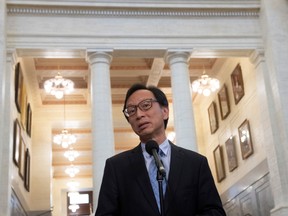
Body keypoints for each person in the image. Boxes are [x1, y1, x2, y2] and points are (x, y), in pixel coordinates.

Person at [95, 83, 226, 216]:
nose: (139, 115)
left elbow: (215, 212)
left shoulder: (195, 163)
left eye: (146, 105)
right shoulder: (117, 167)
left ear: (165, 111)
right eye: (131, 111)